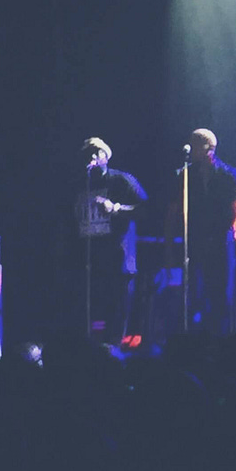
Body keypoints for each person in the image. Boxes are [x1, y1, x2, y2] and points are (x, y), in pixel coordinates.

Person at [169, 128, 236, 335]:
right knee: (194, 293)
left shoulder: (228, 175)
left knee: (220, 294)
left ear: (209, 149)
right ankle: (194, 338)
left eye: (196, 145)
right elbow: (174, 210)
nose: (192, 149)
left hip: (221, 242)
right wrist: (169, 241)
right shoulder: (185, 176)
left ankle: (221, 339)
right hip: (194, 241)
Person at [73, 137, 147, 342]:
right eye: (89, 154)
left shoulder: (121, 181)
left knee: (116, 314)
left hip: (118, 260)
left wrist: (115, 208)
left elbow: (145, 209)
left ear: (106, 156)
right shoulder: (81, 184)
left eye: (98, 153)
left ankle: (113, 355)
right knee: (92, 314)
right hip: (90, 263)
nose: (93, 157)